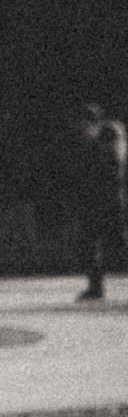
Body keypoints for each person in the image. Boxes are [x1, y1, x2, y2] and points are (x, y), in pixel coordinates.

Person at [66, 102, 126, 302]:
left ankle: (96, 287)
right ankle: (95, 288)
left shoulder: (110, 132)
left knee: (117, 242)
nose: (82, 129)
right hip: (92, 199)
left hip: (108, 198)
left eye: (84, 124)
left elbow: (114, 165)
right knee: (88, 243)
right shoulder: (89, 139)